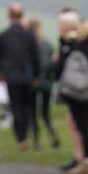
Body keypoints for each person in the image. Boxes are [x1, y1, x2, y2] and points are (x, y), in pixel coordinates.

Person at [55, 10, 88, 174]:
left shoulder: (74, 43)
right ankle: (85, 158)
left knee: (84, 124)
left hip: (78, 89)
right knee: (83, 124)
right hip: (86, 88)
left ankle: (87, 159)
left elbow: (62, 66)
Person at [0, 4, 40, 151]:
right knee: (27, 107)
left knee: (16, 107)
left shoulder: (4, 35)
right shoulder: (29, 35)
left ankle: (21, 138)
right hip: (27, 76)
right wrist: (36, 75)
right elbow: (35, 57)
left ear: (9, 16)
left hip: (11, 76)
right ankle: (26, 135)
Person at [28, 18, 60, 149]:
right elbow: (54, 60)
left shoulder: (29, 45)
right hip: (47, 82)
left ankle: (36, 141)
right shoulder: (47, 43)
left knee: (33, 113)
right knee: (46, 113)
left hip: (33, 81)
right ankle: (53, 135)